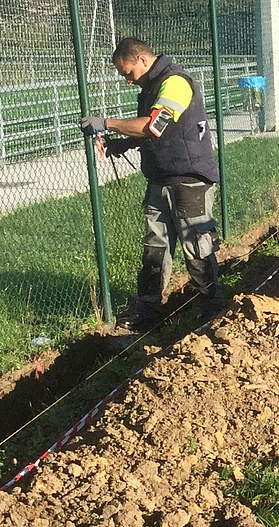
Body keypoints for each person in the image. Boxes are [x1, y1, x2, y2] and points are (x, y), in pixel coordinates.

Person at [79, 37, 224, 329]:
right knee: (155, 248)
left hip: (189, 179)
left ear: (143, 60)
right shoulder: (151, 87)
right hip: (160, 178)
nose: (128, 81)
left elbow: (154, 125)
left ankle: (213, 309)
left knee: (196, 245)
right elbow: (152, 130)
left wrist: (107, 123)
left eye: (128, 74)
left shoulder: (175, 82)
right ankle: (147, 313)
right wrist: (122, 144)